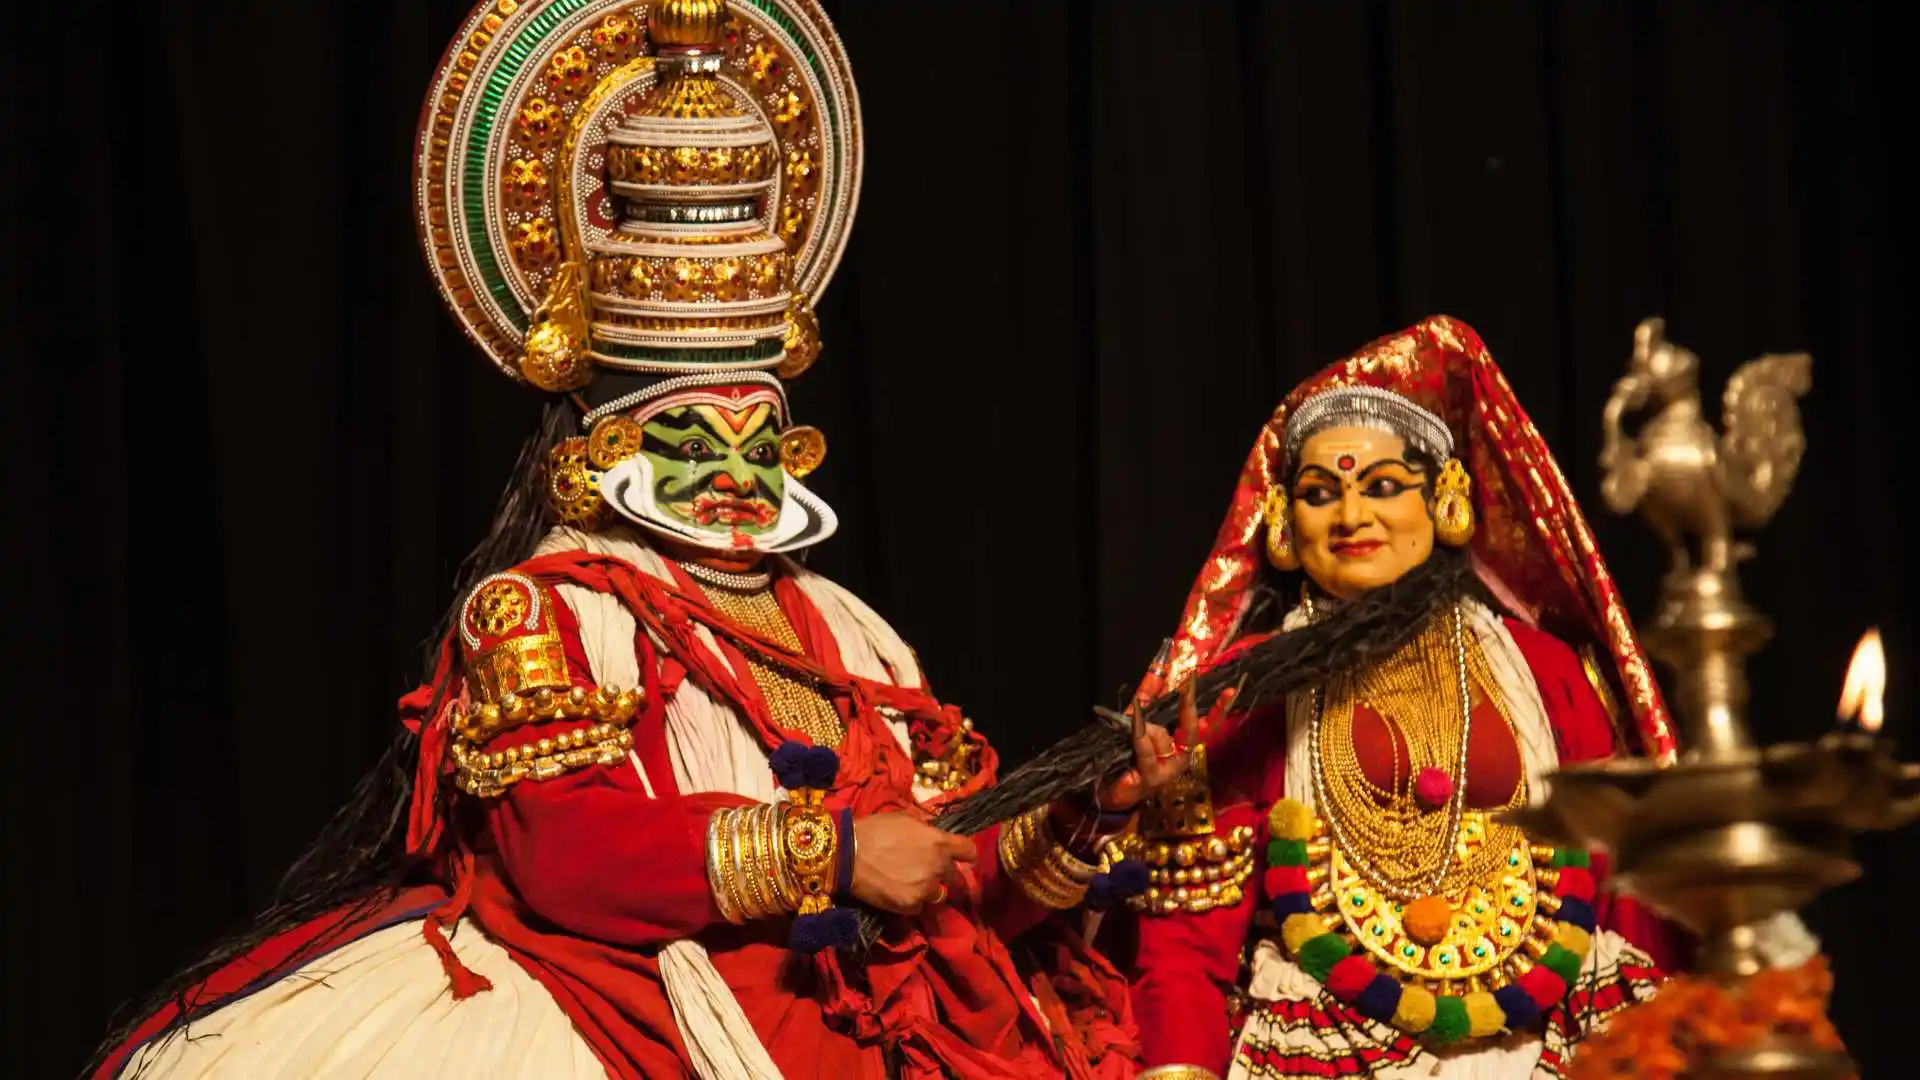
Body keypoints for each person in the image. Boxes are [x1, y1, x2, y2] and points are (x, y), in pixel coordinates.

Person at [89, 1, 1173, 1076]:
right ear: (602, 454)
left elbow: (942, 870)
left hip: (860, 1004)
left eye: (761, 445)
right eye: (694, 438)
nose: (735, 479)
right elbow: (565, 852)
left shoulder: (848, 628)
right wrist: (830, 854)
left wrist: (1077, 818)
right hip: (664, 991)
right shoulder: (551, 608)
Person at [1117, 316, 1690, 1079]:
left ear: (1445, 501)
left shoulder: (1544, 671)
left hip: (1557, 1042)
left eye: (1384, 488)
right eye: (1321, 495)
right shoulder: (1243, 689)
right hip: (1325, 1046)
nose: (1353, 518)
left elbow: (1624, 892)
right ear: (1286, 522)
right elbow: (1189, 930)